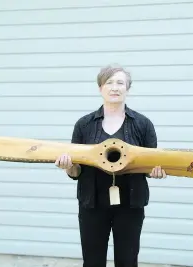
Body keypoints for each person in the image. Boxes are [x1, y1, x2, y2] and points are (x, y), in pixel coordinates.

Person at [55, 64, 167, 267]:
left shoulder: (143, 124)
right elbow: (76, 171)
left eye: (120, 83)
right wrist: (68, 167)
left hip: (130, 204)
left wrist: (155, 172)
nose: (115, 87)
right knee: (92, 262)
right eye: (109, 82)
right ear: (100, 88)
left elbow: (151, 164)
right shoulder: (84, 124)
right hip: (92, 203)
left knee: (127, 261)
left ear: (127, 88)